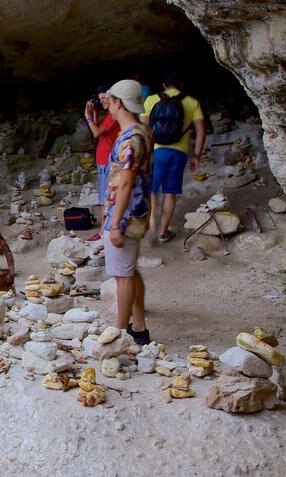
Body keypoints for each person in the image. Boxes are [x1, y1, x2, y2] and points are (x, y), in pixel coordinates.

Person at [104, 79, 153, 345]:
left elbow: (125, 182)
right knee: (130, 270)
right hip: (136, 211)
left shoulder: (130, 139)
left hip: (125, 215)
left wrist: (114, 224)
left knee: (122, 276)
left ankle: (120, 333)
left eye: (110, 102)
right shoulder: (143, 131)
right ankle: (139, 327)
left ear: (119, 103)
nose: (108, 107)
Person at [141, 71, 207, 243]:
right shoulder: (192, 102)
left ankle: (150, 228)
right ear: (182, 84)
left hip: (155, 151)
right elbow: (201, 130)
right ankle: (163, 232)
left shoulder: (151, 100)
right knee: (170, 192)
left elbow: (142, 128)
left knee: (152, 191)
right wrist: (197, 155)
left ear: (164, 85)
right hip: (179, 152)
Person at [84, 85, 120, 241]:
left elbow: (96, 132)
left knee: (104, 199)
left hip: (107, 161)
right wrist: (96, 112)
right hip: (103, 161)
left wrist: (88, 116)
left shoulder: (113, 116)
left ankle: (102, 232)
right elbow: (99, 131)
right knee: (103, 197)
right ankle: (104, 229)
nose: (102, 101)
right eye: (100, 99)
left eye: (105, 98)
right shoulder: (109, 116)